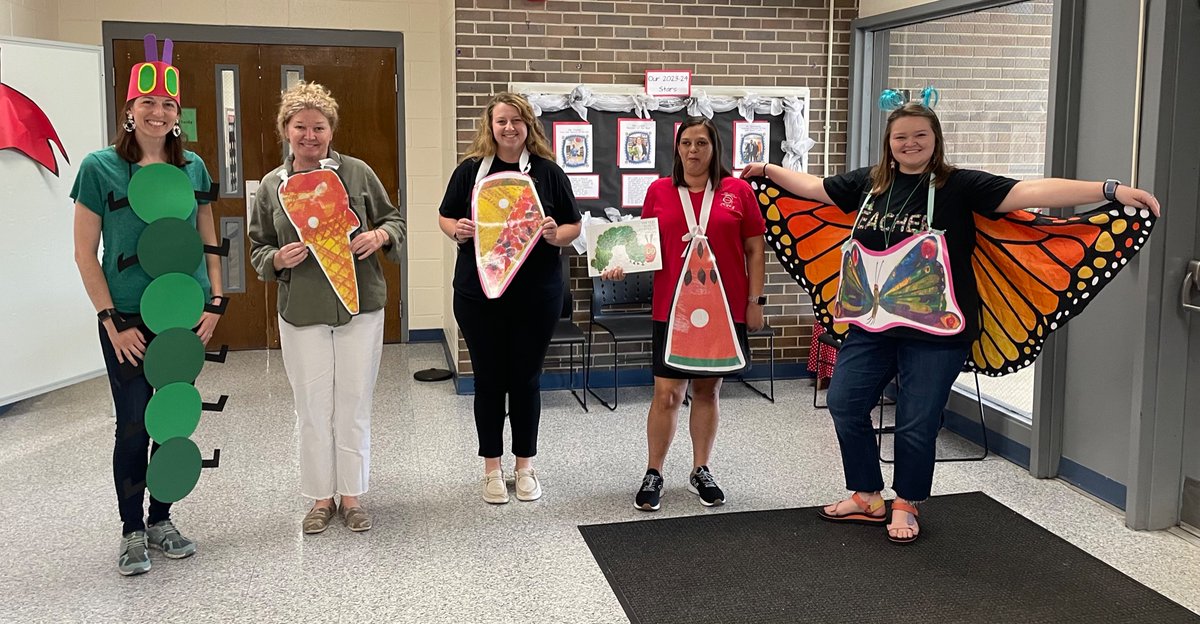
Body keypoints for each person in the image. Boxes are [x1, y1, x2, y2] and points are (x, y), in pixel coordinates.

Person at [741, 101, 1160, 543]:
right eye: (901, 136)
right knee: (845, 402)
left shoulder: (960, 186)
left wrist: (1108, 189)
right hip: (873, 324)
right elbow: (814, 188)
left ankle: (906, 501)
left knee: (916, 420)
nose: (910, 143)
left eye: (920, 135)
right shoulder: (868, 184)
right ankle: (867, 495)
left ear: (935, 139)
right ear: (889, 142)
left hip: (938, 331)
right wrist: (767, 169)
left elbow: (1029, 193)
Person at [72, 43, 222, 575]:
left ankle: (162, 518)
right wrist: (110, 322)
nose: (157, 113)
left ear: (178, 116)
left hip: (183, 311)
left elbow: (208, 239)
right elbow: (84, 253)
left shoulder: (195, 167)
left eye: (167, 105)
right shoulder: (100, 168)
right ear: (129, 109)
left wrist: (216, 301)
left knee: (174, 417)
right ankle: (132, 530)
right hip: (128, 318)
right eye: (147, 102)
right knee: (133, 421)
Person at [248, 82, 406, 534]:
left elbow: (394, 220)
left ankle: (352, 496)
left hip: (361, 307)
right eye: (301, 127)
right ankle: (321, 499)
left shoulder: (356, 174)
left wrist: (379, 236)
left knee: (354, 403)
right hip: (302, 309)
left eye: (319, 127)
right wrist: (276, 259)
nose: (310, 136)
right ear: (285, 130)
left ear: (331, 131)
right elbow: (259, 246)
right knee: (312, 407)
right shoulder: (271, 187)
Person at [603, 117, 766, 512]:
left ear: (715, 149)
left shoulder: (738, 191)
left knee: (708, 391)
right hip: (672, 309)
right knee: (667, 394)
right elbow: (645, 246)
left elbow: (755, 251)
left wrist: (755, 303)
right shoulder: (660, 191)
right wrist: (618, 260)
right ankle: (654, 471)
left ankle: (700, 470)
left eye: (702, 144)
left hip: (724, 311)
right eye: (686, 143)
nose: (693, 150)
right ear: (677, 149)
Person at [438, 92, 581, 504]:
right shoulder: (469, 172)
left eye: (517, 121)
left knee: (526, 379)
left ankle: (525, 466)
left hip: (536, 296)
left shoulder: (549, 173)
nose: (509, 128)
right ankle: (491, 469)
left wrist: (558, 235)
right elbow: (445, 215)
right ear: (490, 125)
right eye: (501, 121)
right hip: (478, 295)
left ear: (528, 125)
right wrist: (456, 230)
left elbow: (573, 224)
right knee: (488, 380)